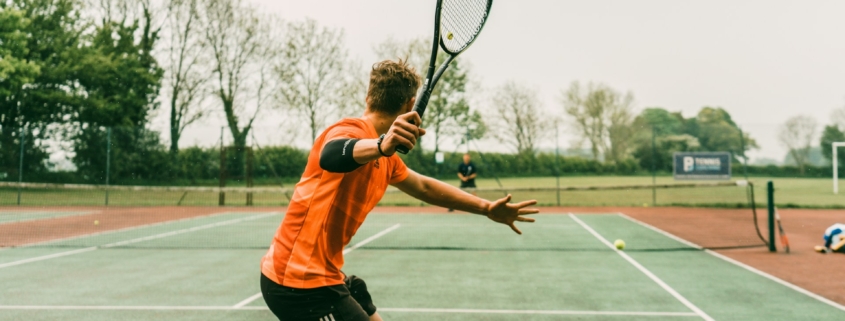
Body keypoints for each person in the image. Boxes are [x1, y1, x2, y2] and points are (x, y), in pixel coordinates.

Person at [260, 59, 539, 321]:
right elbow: (332, 154)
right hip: (296, 283)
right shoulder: (349, 130)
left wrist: (486, 207)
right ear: (410, 104)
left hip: (317, 275)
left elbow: (424, 186)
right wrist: (381, 145)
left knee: (357, 290)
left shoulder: (387, 160)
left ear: (368, 96)